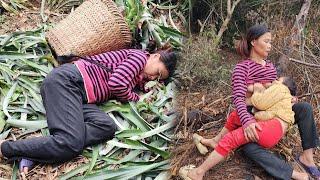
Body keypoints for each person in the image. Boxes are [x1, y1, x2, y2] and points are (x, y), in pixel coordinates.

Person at [0, 49, 178, 174]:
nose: (154, 78)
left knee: (106, 126)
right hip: (67, 82)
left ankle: (42, 148)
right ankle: (6, 149)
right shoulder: (139, 58)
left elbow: (133, 84)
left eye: (158, 79)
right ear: (154, 56)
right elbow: (116, 83)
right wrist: (136, 98)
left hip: (80, 97)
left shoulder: (138, 75)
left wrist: (150, 89)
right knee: (70, 143)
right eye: (157, 72)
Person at [186, 24, 319, 180]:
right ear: (253, 42)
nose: (270, 46)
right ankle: (291, 174)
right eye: (266, 41)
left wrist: (289, 98)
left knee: (304, 108)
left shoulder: (270, 68)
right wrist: (247, 122)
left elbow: (275, 93)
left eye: (271, 42)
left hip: (274, 114)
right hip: (255, 116)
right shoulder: (242, 68)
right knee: (249, 148)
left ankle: (307, 158)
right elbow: (238, 99)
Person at [179, 77, 309, 180]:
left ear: (284, 85)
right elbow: (263, 109)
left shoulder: (281, 89)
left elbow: (260, 103)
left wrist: (257, 90)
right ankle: (216, 141)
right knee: (237, 116)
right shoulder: (283, 101)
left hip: (272, 128)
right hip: (272, 129)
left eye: (278, 80)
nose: (274, 81)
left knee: (231, 138)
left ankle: (198, 173)